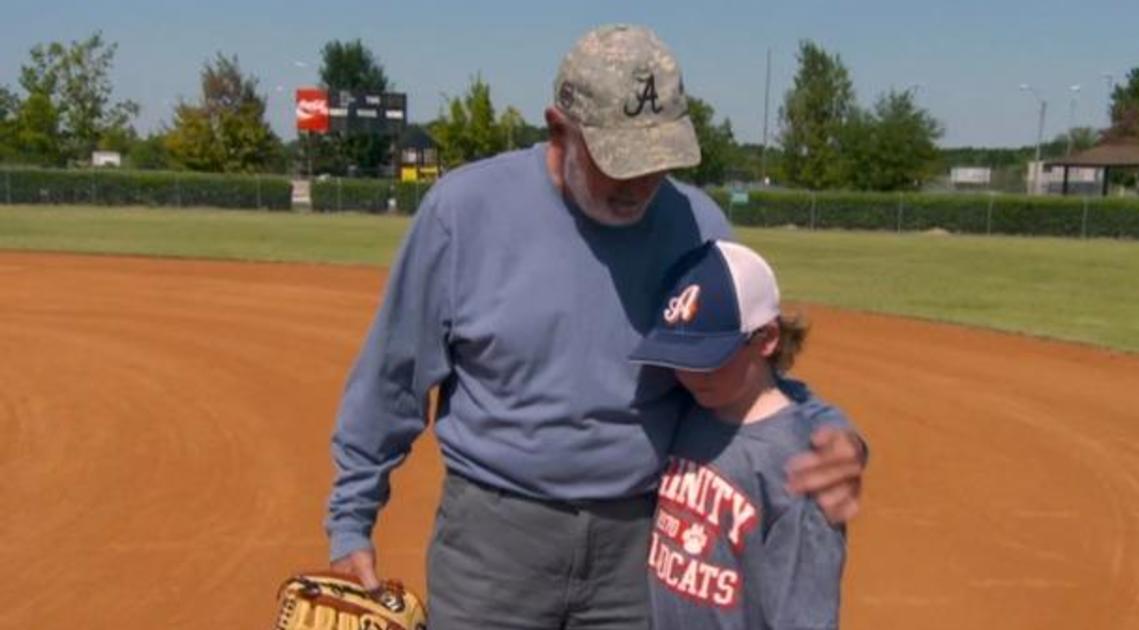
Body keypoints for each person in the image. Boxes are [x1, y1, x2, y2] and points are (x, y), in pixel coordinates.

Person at [325, 24, 866, 630]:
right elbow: (393, 375)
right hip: (493, 547)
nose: (641, 185)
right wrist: (352, 517)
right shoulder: (464, 212)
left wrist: (831, 430)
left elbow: (746, 367)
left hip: (640, 548)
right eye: (620, 162)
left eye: (657, 162)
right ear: (560, 129)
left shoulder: (696, 224)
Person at [631, 239, 846, 629]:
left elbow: (805, 615)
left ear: (766, 339)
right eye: (679, 360)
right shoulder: (692, 408)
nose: (691, 375)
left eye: (708, 361)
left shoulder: (797, 464)